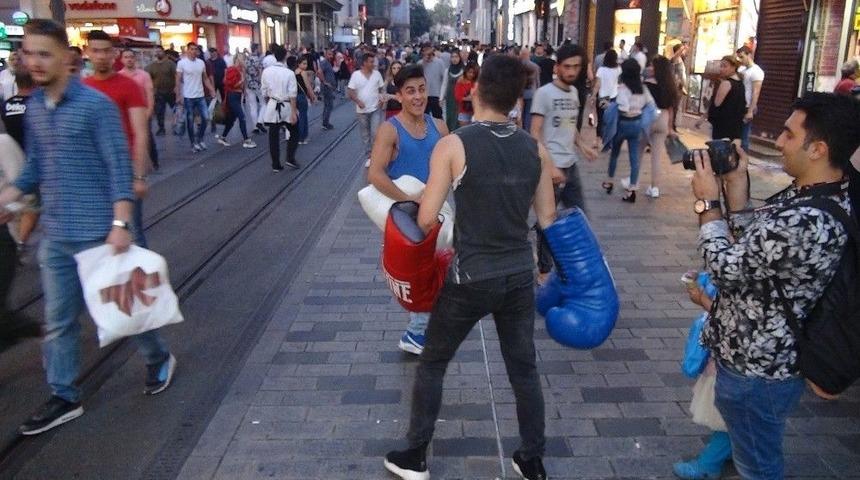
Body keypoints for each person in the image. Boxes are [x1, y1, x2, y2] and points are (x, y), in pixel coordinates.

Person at [383, 53, 557, 480]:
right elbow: (547, 220)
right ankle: (531, 458)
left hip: (470, 277)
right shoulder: (534, 149)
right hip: (517, 276)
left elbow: (425, 219)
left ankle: (415, 454)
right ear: (517, 100)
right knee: (523, 368)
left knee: (434, 362)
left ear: (474, 92)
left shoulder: (454, 145)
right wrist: (544, 267)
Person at [0, 19, 176, 436]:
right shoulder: (37, 108)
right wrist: (10, 196)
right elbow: (40, 164)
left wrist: (120, 222)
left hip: (100, 231)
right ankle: (64, 395)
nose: (36, 62)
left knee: (125, 312)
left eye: (45, 53)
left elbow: (119, 167)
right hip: (58, 235)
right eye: (29, 53)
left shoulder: (94, 106)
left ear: (66, 57)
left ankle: (159, 358)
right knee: (59, 319)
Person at [692, 92, 860, 479]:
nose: (779, 142)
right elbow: (760, 249)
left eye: (788, 134)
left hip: (758, 371)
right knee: (754, 454)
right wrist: (736, 185)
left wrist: (706, 205)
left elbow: (725, 268)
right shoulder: (820, 195)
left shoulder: (808, 219)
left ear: (817, 149)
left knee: (758, 467)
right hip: (759, 365)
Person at [367, 64, 448, 356]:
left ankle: (421, 330)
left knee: (437, 271)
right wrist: (408, 199)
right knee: (421, 275)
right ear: (399, 95)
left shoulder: (439, 126)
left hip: (437, 212)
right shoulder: (390, 129)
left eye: (422, 89)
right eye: (410, 91)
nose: (418, 97)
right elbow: (375, 174)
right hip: (406, 216)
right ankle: (416, 332)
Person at [530, 43, 599, 283]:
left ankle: (577, 265)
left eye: (576, 67)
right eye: (567, 67)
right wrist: (548, 167)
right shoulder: (544, 94)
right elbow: (535, 133)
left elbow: (571, 128)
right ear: (557, 67)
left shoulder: (573, 94)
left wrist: (583, 146)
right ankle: (544, 270)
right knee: (547, 221)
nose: (572, 72)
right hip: (550, 169)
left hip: (570, 165)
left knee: (581, 216)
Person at [84, 32, 152, 248]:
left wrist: (139, 175)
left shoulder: (129, 86)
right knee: (100, 230)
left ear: (115, 54)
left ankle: (144, 277)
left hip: (125, 166)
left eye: (106, 51)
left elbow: (140, 132)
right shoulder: (83, 88)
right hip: (94, 170)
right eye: (96, 51)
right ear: (87, 53)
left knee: (132, 229)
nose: (101, 56)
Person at [604, 58, 655, 203]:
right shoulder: (643, 88)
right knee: (634, 157)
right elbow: (650, 104)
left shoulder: (623, 88)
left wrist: (610, 106)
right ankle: (632, 189)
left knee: (614, 154)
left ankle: (609, 181)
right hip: (637, 124)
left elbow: (622, 107)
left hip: (622, 123)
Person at [637, 55, 678, 199]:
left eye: (652, 66)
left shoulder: (647, 84)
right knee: (657, 156)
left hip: (647, 118)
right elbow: (672, 109)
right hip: (663, 119)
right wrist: (671, 127)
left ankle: (633, 181)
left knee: (638, 151)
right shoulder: (670, 85)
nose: (650, 68)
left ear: (657, 69)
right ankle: (655, 188)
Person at [119, 48, 160, 172]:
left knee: (147, 137)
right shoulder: (118, 76)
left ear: (135, 59)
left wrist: (149, 111)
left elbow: (149, 94)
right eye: (126, 57)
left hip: (142, 112)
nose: (129, 59)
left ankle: (153, 161)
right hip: (125, 114)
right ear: (121, 60)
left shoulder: (143, 75)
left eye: (131, 57)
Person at [261, 45, 299, 171]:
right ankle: (290, 157)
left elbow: (264, 92)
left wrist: (270, 103)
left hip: (273, 104)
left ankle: (275, 164)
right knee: (294, 131)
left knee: (273, 135)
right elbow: (293, 94)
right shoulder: (289, 73)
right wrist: (294, 112)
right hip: (287, 105)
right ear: (284, 57)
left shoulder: (266, 72)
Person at [176, 42, 216, 153]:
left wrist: (212, 89)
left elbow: (205, 78)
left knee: (206, 118)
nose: (194, 51)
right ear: (187, 50)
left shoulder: (201, 63)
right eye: (192, 49)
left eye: (195, 49)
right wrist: (178, 95)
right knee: (190, 120)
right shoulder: (182, 63)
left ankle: (200, 138)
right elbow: (178, 80)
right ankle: (193, 143)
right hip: (188, 96)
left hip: (200, 95)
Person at [348, 51, 385, 167]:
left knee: (375, 132)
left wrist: (382, 100)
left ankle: (375, 156)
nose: (373, 64)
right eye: (371, 62)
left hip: (375, 108)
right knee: (365, 134)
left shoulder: (377, 74)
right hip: (361, 111)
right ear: (364, 63)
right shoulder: (356, 75)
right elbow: (350, 91)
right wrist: (358, 101)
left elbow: (381, 89)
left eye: (373, 61)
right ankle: (369, 155)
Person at [215, 53, 256, 149]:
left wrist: (244, 90)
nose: (244, 60)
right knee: (242, 117)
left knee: (231, 119)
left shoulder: (241, 70)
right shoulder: (232, 69)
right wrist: (241, 82)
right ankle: (246, 140)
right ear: (237, 59)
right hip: (233, 95)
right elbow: (229, 83)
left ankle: (223, 137)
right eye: (242, 58)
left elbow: (242, 84)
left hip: (237, 96)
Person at [707, 55, 745, 142]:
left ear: (733, 67)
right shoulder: (741, 84)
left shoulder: (726, 83)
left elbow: (716, 104)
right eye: (721, 66)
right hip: (736, 126)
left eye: (725, 66)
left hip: (722, 125)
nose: (721, 69)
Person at [736, 46, 763, 152]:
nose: (740, 60)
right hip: (738, 105)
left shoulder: (757, 71)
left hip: (747, 106)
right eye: (739, 58)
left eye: (742, 57)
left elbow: (756, 92)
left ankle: (743, 160)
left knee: (744, 137)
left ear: (749, 55)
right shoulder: (741, 69)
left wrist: (750, 111)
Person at [146, 46, 177, 136]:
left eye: (160, 51)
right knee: (160, 112)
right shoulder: (151, 66)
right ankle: (161, 128)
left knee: (176, 110)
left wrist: (177, 88)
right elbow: (147, 79)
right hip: (158, 92)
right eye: (156, 51)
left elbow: (176, 76)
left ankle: (177, 127)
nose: (158, 53)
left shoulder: (170, 64)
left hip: (171, 91)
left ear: (163, 52)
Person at [593, 49, 620, 142]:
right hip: (614, 97)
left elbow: (597, 84)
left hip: (602, 97)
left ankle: (597, 140)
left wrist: (593, 95)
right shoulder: (618, 69)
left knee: (600, 119)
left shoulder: (601, 70)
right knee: (612, 120)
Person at [291, 54, 316, 145]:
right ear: (299, 64)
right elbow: (308, 86)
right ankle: (303, 137)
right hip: (302, 96)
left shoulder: (293, 72)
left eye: (306, 64)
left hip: (294, 97)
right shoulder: (303, 73)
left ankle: (297, 136)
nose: (305, 66)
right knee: (303, 117)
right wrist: (313, 96)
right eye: (303, 64)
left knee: (298, 116)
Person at [418, 46, 445, 119]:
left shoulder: (439, 62)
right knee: (423, 116)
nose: (427, 56)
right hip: (424, 94)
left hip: (436, 94)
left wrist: (442, 96)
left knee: (437, 116)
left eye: (428, 54)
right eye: (425, 54)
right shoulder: (420, 64)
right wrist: (424, 62)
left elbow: (444, 78)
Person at [244, 43, 267, 134]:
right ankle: (260, 122)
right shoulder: (258, 60)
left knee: (253, 106)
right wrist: (263, 83)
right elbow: (260, 72)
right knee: (263, 103)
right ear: (256, 49)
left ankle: (255, 127)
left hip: (249, 85)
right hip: (258, 84)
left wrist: (245, 85)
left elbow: (244, 73)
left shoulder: (246, 60)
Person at [440, 52, 463, 132]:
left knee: (459, 115)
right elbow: (444, 84)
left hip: (461, 97)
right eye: (452, 57)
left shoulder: (463, 70)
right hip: (450, 97)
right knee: (449, 115)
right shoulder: (448, 70)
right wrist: (441, 98)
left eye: (456, 57)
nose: (454, 59)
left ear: (460, 58)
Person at [519, 47, 541, 132]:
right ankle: (526, 129)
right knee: (528, 112)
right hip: (531, 92)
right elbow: (537, 80)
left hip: (519, 92)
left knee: (520, 112)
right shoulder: (535, 66)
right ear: (528, 55)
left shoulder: (517, 66)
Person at [317, 48, 337, 130]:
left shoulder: (328, 62)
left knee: (328, 105)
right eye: (329, 54)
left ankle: (325, 122)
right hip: (326, 87)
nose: (331, 56)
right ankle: (325, 123)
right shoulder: (324, 62)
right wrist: (325, 82)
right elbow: (319, 72)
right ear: (325, 54)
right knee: (329, 105)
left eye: (332, 54)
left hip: (329, 87)